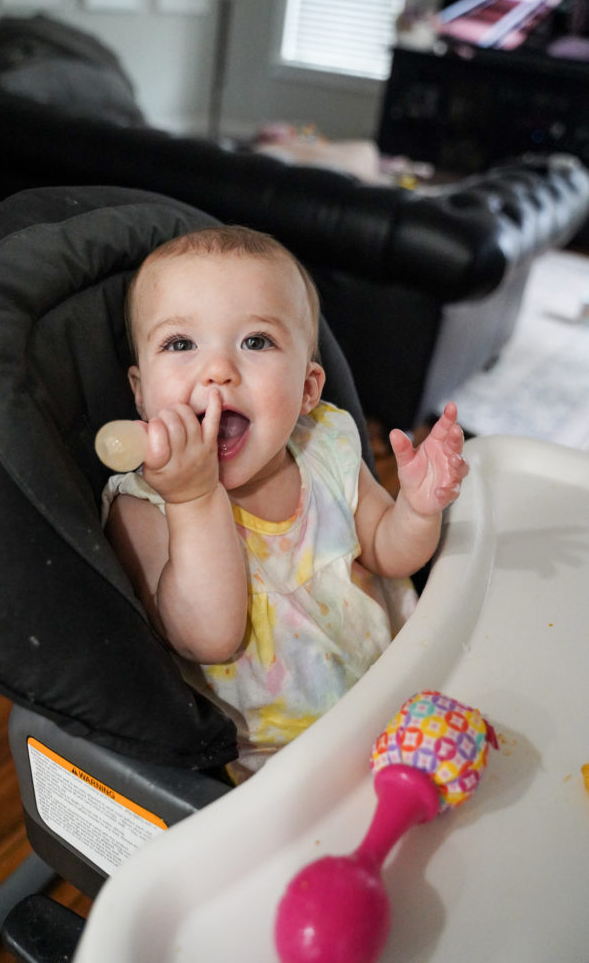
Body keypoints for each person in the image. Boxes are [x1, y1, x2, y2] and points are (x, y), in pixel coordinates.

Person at [102, 225, 469, 780]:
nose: (217, 370)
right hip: (288, 769)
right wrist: (194, 499)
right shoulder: (144, 507)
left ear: (307, 389)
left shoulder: (326, 443)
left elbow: (389, 554)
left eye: (256, 342)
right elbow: (209, 636)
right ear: (139, 390)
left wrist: (416, 509)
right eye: (180, 344)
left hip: (400, 691)